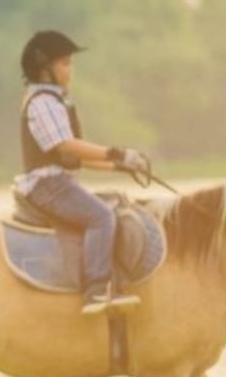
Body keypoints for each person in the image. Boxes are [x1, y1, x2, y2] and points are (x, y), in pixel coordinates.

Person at [15, 30, 149, 315]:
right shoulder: (43, 102)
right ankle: (96, 290)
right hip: (49, 185)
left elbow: (74, 157)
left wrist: (118, 166)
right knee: (101, 216)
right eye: (64, 63)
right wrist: (117, 152)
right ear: (45, 69)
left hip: (58, 181)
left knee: (117, 203)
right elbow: (65, 144)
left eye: (70, 63)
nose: (70, 70)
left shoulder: (56, 102)